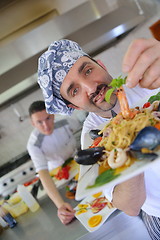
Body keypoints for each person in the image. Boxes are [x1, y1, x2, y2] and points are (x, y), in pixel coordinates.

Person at [37, 38, 160, 239]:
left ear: (100, 64)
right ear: (73, 107)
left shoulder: (149, 78)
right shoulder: (93, 137)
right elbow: (130, 207)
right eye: (74, 90)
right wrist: (127, 150)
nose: (90, 87)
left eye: (87, 70)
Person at [27, 100, 77, 225]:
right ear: (33, 123)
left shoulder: (66, 121)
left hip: (78, 164)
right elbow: (43, 173)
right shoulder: (34, 144)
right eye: (39, 122)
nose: (46, 125)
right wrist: (60, 205)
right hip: (60, 176)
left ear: (53, 115)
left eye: (48, 118)